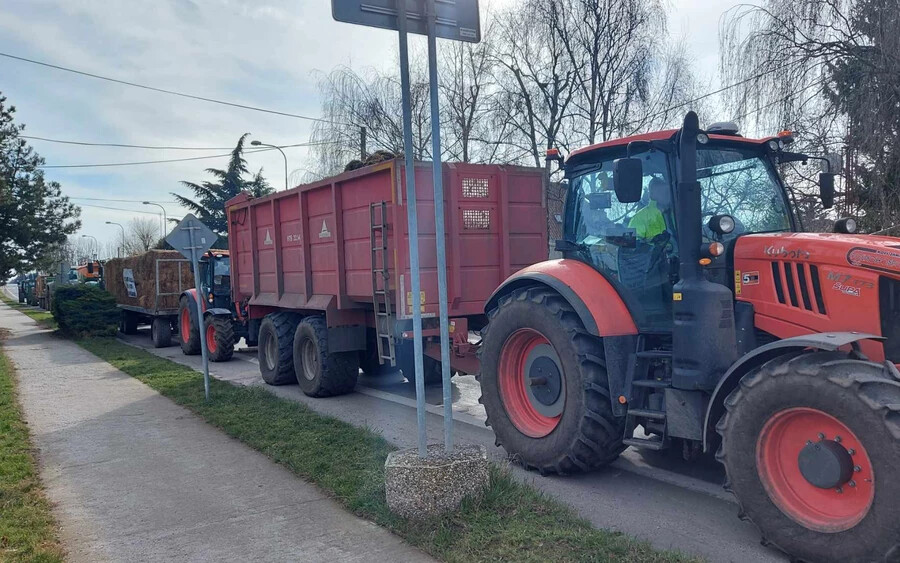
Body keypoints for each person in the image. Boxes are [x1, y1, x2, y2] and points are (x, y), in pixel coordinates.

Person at [628, 176, 672, 241]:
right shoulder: (640, 218)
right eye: (659, 191)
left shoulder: (680, 213)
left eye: (666, 190)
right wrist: (654, 243)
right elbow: (632, 245)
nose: (663, 193)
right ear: (651, 194)